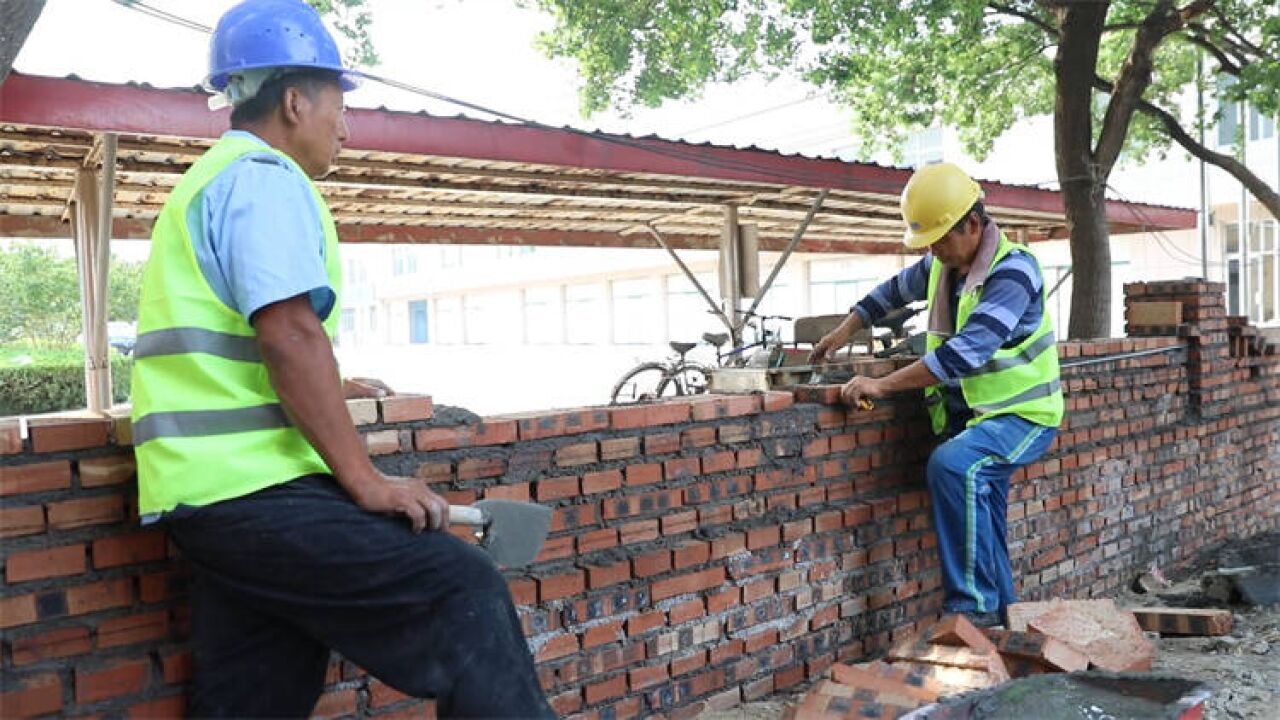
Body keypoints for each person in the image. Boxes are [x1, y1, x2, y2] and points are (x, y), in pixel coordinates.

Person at [130, 1, 553, 716]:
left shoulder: (213, 178)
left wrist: (336, 381)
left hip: (202, 499)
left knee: (257, 686)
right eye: (338, 106)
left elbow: (254, 343)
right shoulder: (264, 177)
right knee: (462, 586)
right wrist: (365, 481)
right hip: (255, 494)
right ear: (294, 101)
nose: (346, 127)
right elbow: (289, 331)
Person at [809, 163, 1063, 627]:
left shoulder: (1014, 271)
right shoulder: (943, 265)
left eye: (941, 238)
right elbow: (889, 293)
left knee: (953, 465)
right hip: (979, 420)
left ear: (972, 223)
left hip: (1024, 415)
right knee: (985, 521)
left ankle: (973, 613)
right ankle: (1010, 619)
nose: (933, 250)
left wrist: (880, 385)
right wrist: (843, 331)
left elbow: (964, 354)